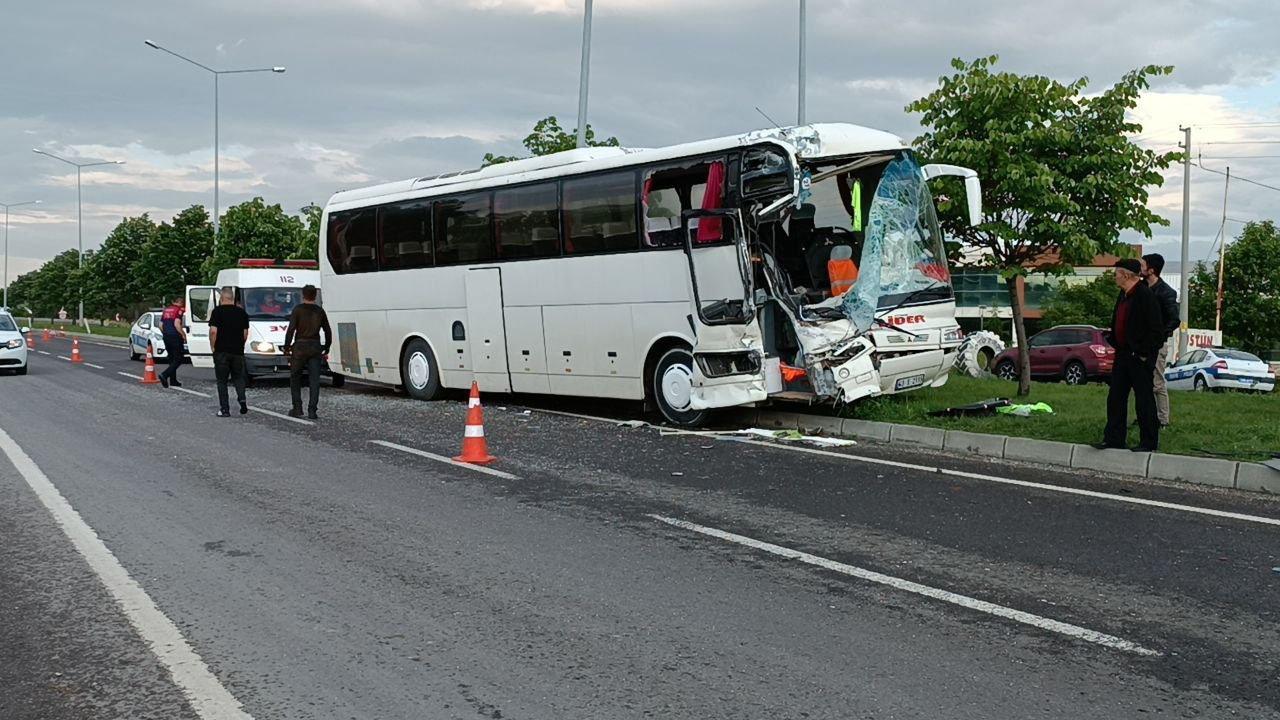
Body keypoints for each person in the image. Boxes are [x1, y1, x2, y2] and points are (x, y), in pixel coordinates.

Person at [1098, 259, 1165, 452]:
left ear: (1126, 275)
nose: (1115, 277)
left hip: (1139, 356)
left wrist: (1143, 353)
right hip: (1123, 353)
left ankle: (1149, 441)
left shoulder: (1145, 296)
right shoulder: (1124, 295)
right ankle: (1114, 439)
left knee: (1144, 398)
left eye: (1117, 273)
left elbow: (1156, 331)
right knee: (1116, 397)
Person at [1141, 253, 1180, 427]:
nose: (1140, 268)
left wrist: (1159, 335)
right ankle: (1146, 415)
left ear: (1151, 270)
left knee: (1157, 382)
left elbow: (1174, 320)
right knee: (1143, 381)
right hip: (1141, 343)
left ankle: (1163, 419)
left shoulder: (1166, 293)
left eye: (1143, 265)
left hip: (1157, 344)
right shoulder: (1141, 288)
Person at [283, 284, 331, 419]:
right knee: (314, 380)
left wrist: (287, 347)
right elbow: (327, 330)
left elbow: (291, 329)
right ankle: (312, 410)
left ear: (303, 295)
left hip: (300, 347)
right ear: (315, 296)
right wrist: (326, 346)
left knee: (295, 377)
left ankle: (297, 407)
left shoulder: (298, 310)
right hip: (315, 346)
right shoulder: (319, 311)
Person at [208, 286, 251, 417]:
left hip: (221, 351)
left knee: (222, 381)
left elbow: (213, 331)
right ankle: (242, 399)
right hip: (237, 351)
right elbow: (245, 333)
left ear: (221, 298)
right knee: (238, 377)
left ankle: (225, 409)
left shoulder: (217, 312)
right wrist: (240, 345)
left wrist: (213, 346)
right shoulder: (242, 313)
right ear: (232, 298)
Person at [157, 296, 187, 388]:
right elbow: (177, 324)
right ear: (181, 302)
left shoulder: (166, 310)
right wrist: (183, 334)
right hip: (175, 337)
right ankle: (164, 375)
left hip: (166, 336)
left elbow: (160, 325)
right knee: (178, 359)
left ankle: (173, 380)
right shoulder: (179, 310)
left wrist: (166, 333)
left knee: (171, 359)